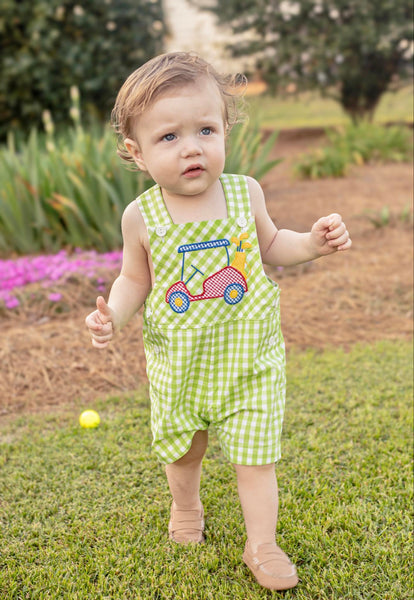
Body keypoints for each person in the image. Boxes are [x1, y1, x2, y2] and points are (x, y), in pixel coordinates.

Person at [85, 51, 351, 591]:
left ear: (225, 129)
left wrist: (313, 245)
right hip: (180, 365)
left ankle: (263, 542)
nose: (192, 148)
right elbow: (136, 280)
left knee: (255, 457)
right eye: (169, 138)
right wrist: (112, 314)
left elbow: (274, 244)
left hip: (250, 362)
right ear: (136, 152)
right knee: (185, 449)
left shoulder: (243, 192)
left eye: (205, 129)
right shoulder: (141, 216)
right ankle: (186, 507)